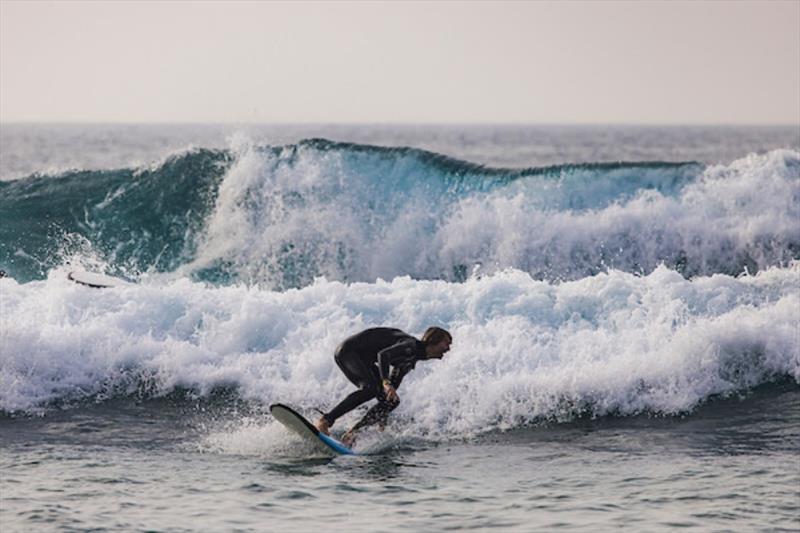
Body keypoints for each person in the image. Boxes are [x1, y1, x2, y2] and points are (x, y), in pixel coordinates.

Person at [315, 326, 452, 445]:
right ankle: (325, 421)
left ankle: (353, 433)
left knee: (392, 401)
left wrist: (382, 414)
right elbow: (383, 355)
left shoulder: (410, 361)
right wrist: (386, 382)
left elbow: (390, 392)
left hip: (364, 359)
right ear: (433, 340)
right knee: (370, 389)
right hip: (349, 351)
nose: (448, 349)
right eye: (446, 343)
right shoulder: (410, 346)